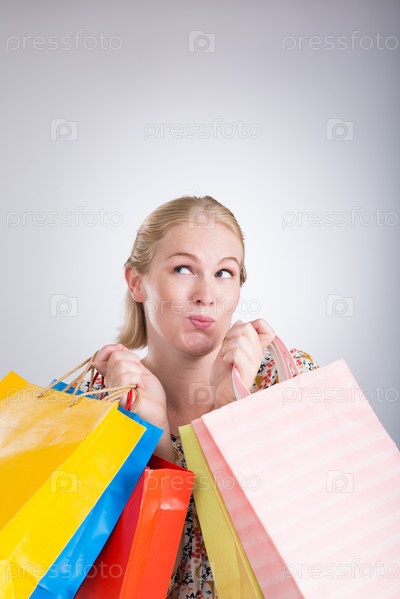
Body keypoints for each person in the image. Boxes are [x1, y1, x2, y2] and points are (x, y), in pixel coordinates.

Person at [93, 195, 318, 598]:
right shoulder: (102, 398)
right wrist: (154, 441)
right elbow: (101, 577)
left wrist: (234, 416)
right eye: (183, 269)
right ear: (136, 282)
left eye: (224, 273)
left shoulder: (287, 382)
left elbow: (312, 548)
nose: (206, 294)